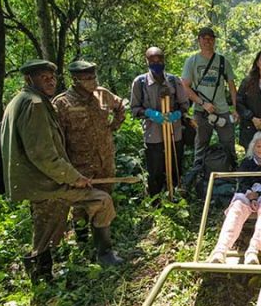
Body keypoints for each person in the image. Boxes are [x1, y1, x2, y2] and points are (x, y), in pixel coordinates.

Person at [1, 59, 120, 283]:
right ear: (29, 79)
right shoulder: (35, 104)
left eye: (52, 77)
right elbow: (43, 155)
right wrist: (74, 177)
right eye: (43, 78)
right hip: (46, 183)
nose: (50, 81)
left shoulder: (23, 100)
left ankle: (45, 275)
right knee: (95, 204)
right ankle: (43, 277)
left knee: (47, 229)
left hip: (44, 181)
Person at [53, 60, 125, 246]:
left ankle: (103, 239)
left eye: (94, 77)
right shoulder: (62, 103)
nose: (93, 81)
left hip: (105, 160)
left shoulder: (102, 95)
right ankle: (82, 239)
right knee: (81, 206)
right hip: (80, 166)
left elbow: (120, 107)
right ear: (76, 80)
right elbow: (57, 139)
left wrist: (113, 126)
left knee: (105, 198)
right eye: (87, 78)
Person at [208, 132, 261, 265]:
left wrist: (259, 195)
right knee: (236, 207)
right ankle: (220, 250)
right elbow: (241, 182)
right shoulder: (246, 162)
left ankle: (253, 250)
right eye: (258, 146)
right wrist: (251, 196)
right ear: (253, 147)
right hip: (247, 195)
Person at [131, 47, 190, 196]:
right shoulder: (140, 82)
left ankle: (174, 194)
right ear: (147, 61)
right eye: (152, 60)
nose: (156, 63)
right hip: (153, 134)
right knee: (155, 168)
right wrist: (150, 113)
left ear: (164, 60)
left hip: (173, 132)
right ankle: (156, 199)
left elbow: (185, 105)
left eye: (159, 60)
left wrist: (177, 114)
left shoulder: (174, 80)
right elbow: (134, 109)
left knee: (175, 165)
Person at [182, 27, 238, 172]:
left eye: (210, 38)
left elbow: (232, 86)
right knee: (201, 144)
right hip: (201, 112)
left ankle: (232, 173)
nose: (207, 41)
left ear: (214, 40)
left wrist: (235, 109)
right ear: (199, 40)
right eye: (204, 38)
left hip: (222, 110)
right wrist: (202, 103)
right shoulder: (192, 61)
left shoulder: (222, 61)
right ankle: (198, 176)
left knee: (228, 143)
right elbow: (185, 87)